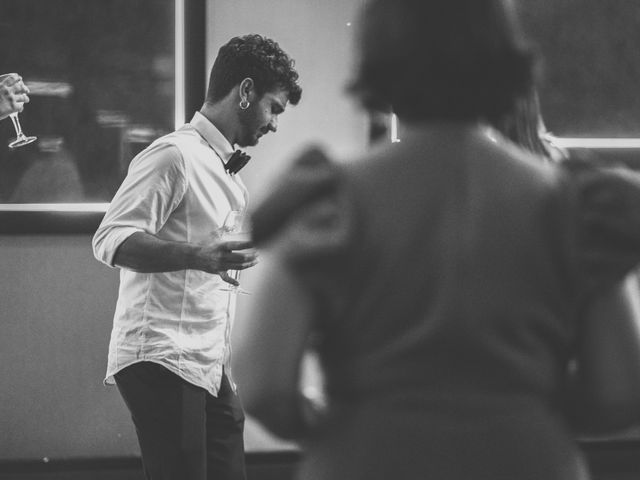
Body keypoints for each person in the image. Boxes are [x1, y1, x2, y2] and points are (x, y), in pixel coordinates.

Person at [233, 1, 640, 479]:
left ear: (378, 58)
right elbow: (620, 390)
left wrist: (334, 425)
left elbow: (262, 383)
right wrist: (529, 414)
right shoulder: (570, 206)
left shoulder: (329, 200)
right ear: (502, 57)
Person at [92, 34, 301, 480]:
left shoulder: (228, 176)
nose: (275, 123)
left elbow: (210, 258)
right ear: (245, 92)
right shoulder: (174, 155)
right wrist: (198, 256)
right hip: (163, 355)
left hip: (209, 362)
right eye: (274, 107)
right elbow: (110, 238)